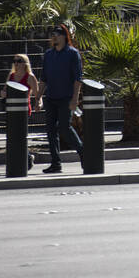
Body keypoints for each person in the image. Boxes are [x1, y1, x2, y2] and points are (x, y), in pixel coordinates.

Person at [39, 24, 83, 174]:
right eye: (53, 34)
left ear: (64, 36)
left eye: (57, 34)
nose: (54, 36)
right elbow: (44, 78)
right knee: (50, 131)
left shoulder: (72, 53)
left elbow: (78, 79)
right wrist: (38, 97)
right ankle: (56, 163)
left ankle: (83, 153)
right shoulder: (49, 54)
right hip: (51, 97)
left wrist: (75, 99)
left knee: (64, 127)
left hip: (66, 97)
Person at [1, 53, 38, 170]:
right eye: (15, 61)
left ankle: (26, 158)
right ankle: (27, 157)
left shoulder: (30, 76)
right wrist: (3, 94)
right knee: (12, 135)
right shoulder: (11, 76)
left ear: (25, 63)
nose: (16, 63)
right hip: (11, 109)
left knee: (20, 135)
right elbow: (4, 90)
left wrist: (39, 103)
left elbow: (37, 94)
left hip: (23, 110)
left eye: (19, 61)